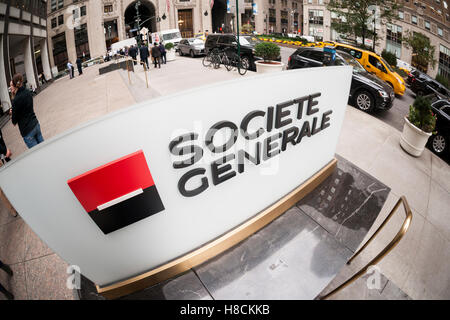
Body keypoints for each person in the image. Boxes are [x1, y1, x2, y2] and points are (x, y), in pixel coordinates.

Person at [9, 73, 44, 149]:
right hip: (35, 124)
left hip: (27, 131)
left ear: (15, 85)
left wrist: (12, 113)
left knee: (37, 155)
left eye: (11, 85)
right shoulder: (28, 92)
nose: (10, 87)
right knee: (44, 149)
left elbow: (14, 121)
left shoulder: (16, 100)